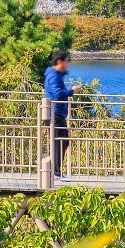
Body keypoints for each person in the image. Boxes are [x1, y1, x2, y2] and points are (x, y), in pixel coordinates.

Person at [44, 50, 75, 178]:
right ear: (59, 62)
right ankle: (55, 172)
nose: (67, 64)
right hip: (55, 113)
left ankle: (55, 170)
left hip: (57, 113)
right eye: (66, 61)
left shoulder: (54, 74)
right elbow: (57, 93)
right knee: (59, 142)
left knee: (63, 141)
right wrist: (71, 91)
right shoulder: (54, 75)